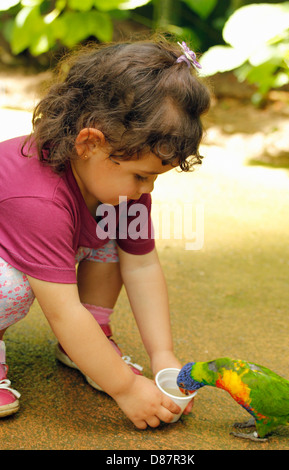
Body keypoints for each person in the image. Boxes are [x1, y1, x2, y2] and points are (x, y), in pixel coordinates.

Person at [0, 37, 210, 428]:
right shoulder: (38, 200)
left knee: (113, 230)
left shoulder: (117, 190)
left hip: (39, 241)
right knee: (8, 285)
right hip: (7, 258)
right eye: (141, 175)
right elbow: (62, 310)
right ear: (90, 143)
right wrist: (126, 389)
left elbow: (142, 266)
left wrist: (162, 356)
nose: (147, 191)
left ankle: (88, 342)